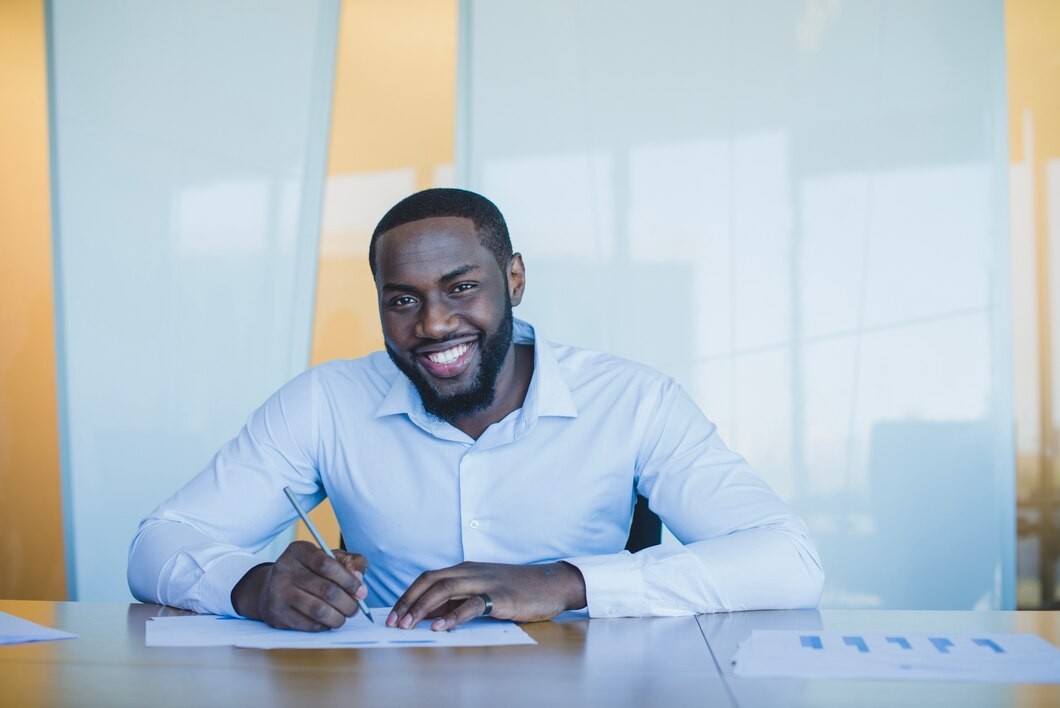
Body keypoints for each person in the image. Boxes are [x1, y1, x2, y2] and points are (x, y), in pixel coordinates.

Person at [128, 188, 823, 632]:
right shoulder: (325, 403)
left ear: (514, 279)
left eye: (461, 288)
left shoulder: (633, 402)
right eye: (402, 300)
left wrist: (564, 582)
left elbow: (788, 561)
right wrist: (252, 587)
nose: (432, 324)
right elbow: (158, 542)